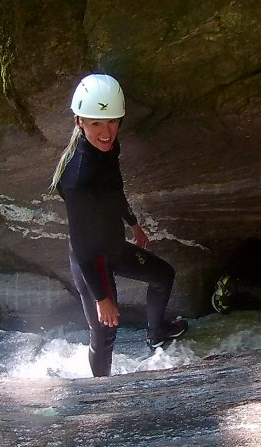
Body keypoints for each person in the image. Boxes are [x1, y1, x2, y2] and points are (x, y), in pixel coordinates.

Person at [50, 73, 187, 376]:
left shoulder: (109, 148)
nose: (107, 131)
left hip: (112, 246)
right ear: (79, 122)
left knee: (164, 275)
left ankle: (157, 333)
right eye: (97, 123)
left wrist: (133, 224)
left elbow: (114, 190)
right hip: (91, 261)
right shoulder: (78, 179)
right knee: (104, 332)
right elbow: (85, 248)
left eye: (112, 121)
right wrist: (102, 299)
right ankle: (102, 392)